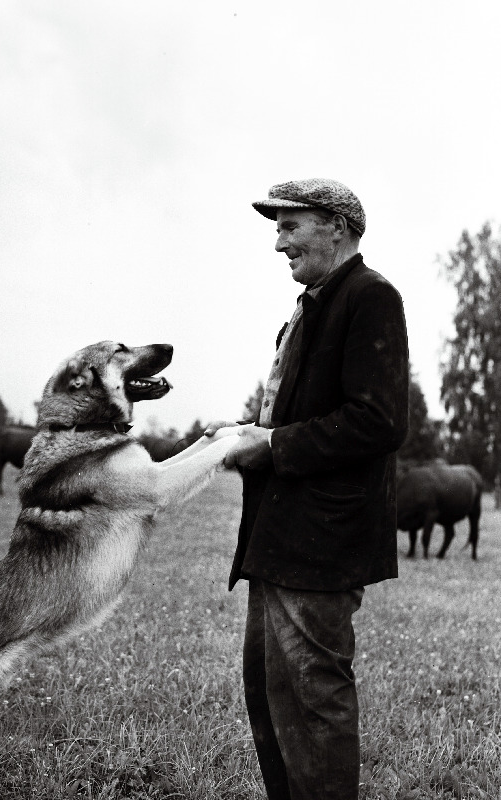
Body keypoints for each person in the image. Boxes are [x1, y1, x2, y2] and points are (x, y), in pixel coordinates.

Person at [205, 178, 409, 800]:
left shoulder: (371, 297)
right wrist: (246, 433)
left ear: (337, 227)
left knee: (313, 702)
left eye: (290, 227)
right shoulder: (310, 307)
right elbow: (298, 418)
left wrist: (270, 445)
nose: (278, 244)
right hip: (279, 539)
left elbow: (378, 421)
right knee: (271, 699)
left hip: (321, 546)